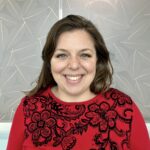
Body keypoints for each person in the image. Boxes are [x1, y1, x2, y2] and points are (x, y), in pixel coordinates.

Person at [7, 14, 150, 150]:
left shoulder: (125, 108)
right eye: (62, 55)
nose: (74, 65)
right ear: (49, 62)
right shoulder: (28, 109)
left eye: (85, 55)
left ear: (98, 60)